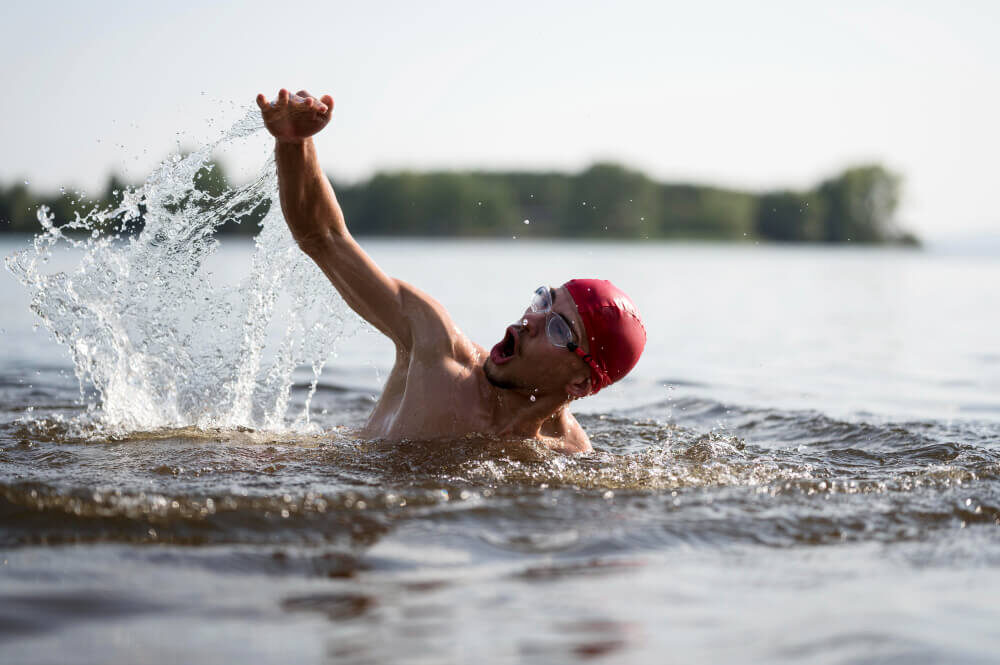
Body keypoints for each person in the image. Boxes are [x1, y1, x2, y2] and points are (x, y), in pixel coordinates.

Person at [255, 89, 646, 453]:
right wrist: (294, 144)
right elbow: (325, 238)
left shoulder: (572, 453)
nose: (531, 320)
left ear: (579, 382)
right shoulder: (435, 348)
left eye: (559, 329)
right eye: (544, 301)